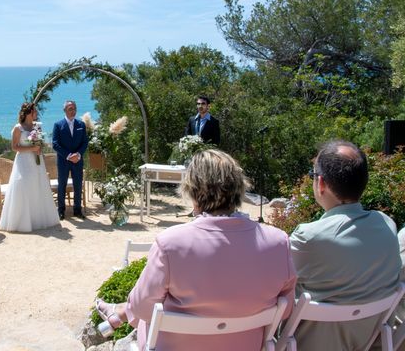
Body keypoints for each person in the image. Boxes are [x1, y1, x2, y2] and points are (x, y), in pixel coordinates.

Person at [95, 149, 296, 350]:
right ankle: (117, 313)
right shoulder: (279, 242)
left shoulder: (170, 243)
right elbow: (285, 311)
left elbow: (141, 309)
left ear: (192, 191)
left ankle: (117, 314)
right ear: (239, 188)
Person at [289, 140, 401, 350]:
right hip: (367, 341)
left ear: (321, 183)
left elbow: (276, 283)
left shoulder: (309, 237)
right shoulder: (387, 224)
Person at [0, 102, 60, 232]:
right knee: (24, 185)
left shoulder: (37, 127)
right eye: (35, 111)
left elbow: (40, 144)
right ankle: (22, 221)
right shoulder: (18, 128)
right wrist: (32, 148)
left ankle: (37, 219)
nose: (37, 113)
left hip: (36, 161)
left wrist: (39, 149)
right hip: (23, 161)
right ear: (28, 113)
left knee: (37, 185)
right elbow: (14, 147)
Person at [52, 100, 88, 220]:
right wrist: (68, 156)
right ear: (65, 111)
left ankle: (77, 210)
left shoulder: (81, 125)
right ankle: (61, 210)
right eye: (70, 109)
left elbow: (85, 142)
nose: (73, 111)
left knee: (78, 185)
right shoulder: (58, 125)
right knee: (62, 185)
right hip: (63, 161)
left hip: (77, 161)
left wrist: (78, 155)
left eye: (74, 108)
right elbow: (55, 144)